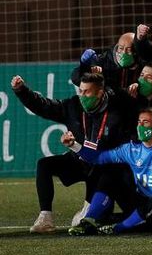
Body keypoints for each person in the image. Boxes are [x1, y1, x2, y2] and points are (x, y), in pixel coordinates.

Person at [11, 73, 134, 233]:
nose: (82, 96)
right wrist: (22, 91)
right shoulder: (73, 106)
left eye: (87, 92)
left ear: (100, 93)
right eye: (80, 91)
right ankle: (45, 217)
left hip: (103, 168)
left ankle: (90, 209)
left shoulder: (117, 113)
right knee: (44, 164)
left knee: (85, 218)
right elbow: (45, 106)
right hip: (78, 159)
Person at [63, 107, 152, 235]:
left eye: (146, 122)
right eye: (139, 122)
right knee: (110, 174)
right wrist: (74, 145)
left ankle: (120, 227)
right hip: (142, 205)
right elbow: (97, 158)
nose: (140, 126)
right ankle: (88, 221)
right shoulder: (130, 150)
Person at [71, 32, 143, 91]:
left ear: (135, 51)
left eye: (128, 50)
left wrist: (138, 86)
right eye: (121, 48)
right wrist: (84, 65)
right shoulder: (104, 61)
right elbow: (76, 79)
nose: (123, 52)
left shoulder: (142, 62)